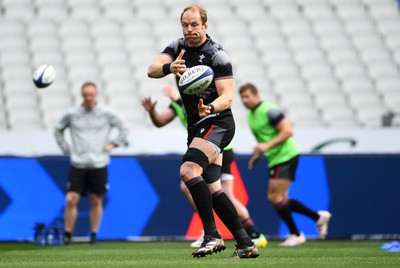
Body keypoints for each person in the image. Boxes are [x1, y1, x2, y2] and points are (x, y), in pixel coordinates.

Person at [147, 5, 259, 259]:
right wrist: (169, 69)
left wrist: (209, 107)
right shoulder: (177, 48)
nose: (189, 29)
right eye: (185, 25)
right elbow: (151, 69)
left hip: (218, 123)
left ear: (205, 25)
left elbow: (228, 97)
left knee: (188, 170)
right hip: (197, 127)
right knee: (212, 188)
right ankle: (245, 243)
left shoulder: (218, 55)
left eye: (194, 24)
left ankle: (212, 235)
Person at [142, 85, 267, 249]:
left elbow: (202, 112)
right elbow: (160, 121)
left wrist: (176, 98)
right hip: (211, 143)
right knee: (220, 192)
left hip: (217, 143)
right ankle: (250, 235)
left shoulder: (199, 94)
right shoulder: (179, 103)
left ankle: (210, 231)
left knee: (191, 181)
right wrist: (152, 111)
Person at [238, 82, 332, 247]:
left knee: (275, 197)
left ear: (256, 95)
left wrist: (266, 147)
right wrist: (258, 155)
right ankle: (317, 218)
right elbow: (264, 139)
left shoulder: (268, 110)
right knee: (279, 198)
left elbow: (288, 131)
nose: (245, 100)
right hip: (276, 158)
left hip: (286, 156)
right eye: (242, 98)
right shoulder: (251, 116)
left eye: (247, 96)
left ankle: (296, 233)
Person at [54, 82, 129, 245]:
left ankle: (93, 234)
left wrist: (114, 143)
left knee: (96, 199)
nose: (88, 97)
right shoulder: (72, 114)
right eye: (85, 94)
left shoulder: (106, 113)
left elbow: (124, 127)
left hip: (99, 163)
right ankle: (68, 234)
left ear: (96, 95)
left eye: (91, 94)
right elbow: (57, 129)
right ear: (82, 95)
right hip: (78, 164)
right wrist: (64, 147)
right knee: (71, 198)